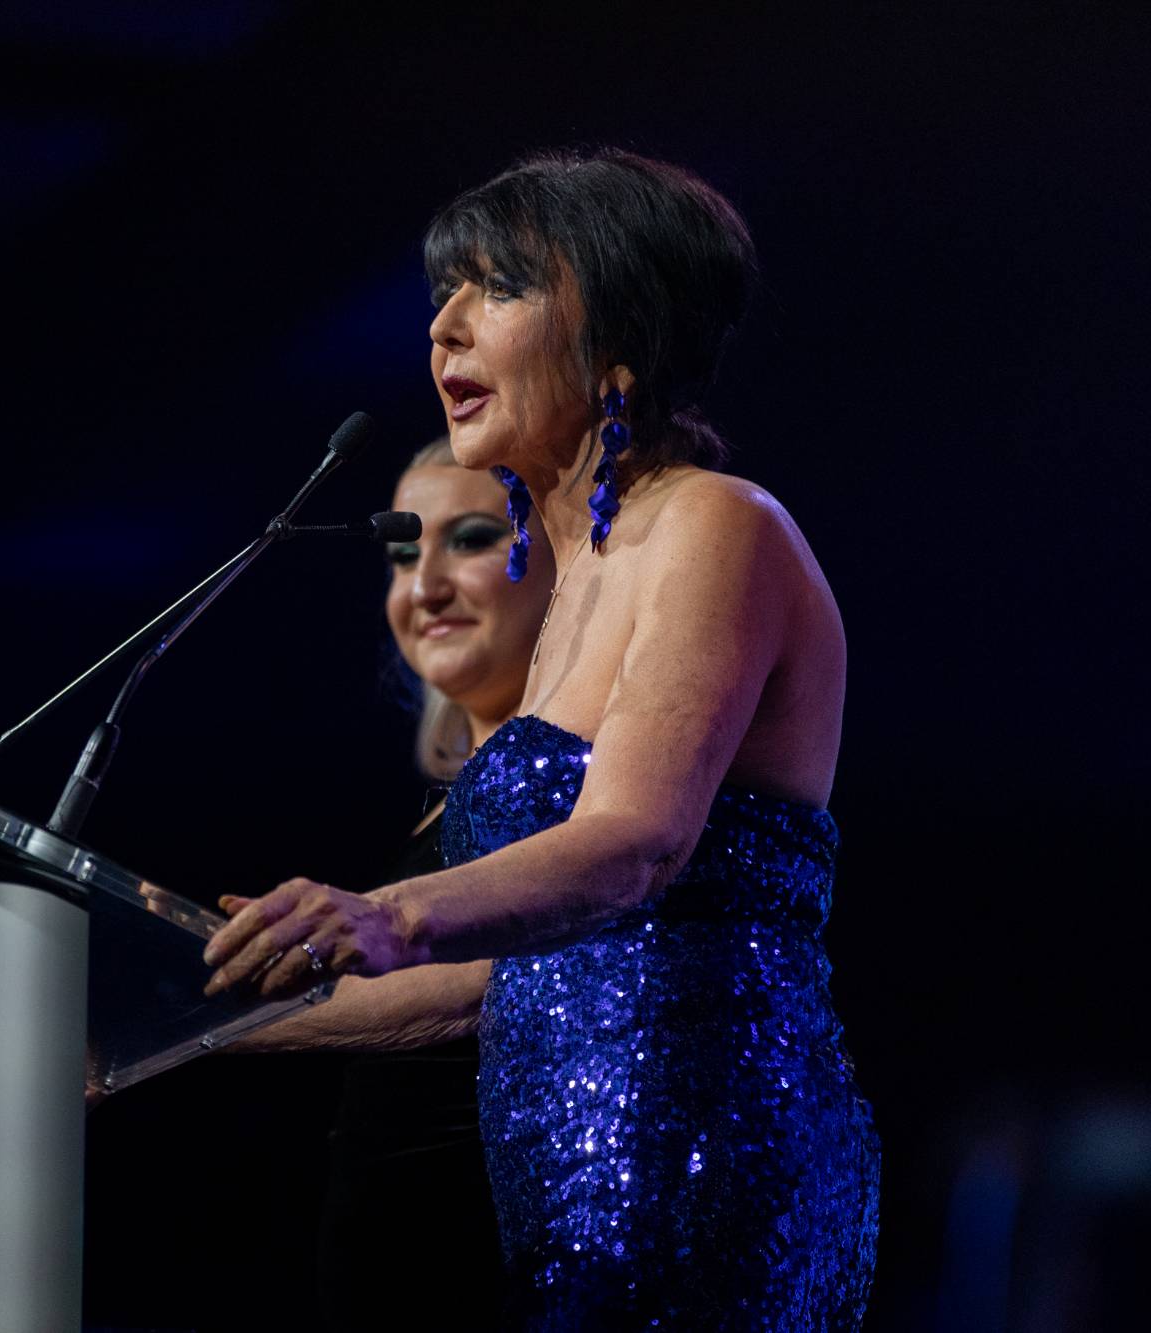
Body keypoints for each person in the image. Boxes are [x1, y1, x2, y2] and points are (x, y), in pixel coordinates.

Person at [205, 149, 880, 1329]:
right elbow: (489, 982)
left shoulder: (714, 524)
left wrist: (386, 909)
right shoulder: (571, 583)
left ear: (617, 320)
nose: (443, 327)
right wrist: (182, 1009)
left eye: (496, 288)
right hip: (556, 1170)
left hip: (694, 1145)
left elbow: (633, 848)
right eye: (442, 294)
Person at [312, 440, 555, 1329]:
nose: (424, 587)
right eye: (405, 553)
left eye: (473, 538)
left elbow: (484, 989)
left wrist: (197, 1015)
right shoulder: (444, 805)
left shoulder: (585, 788)